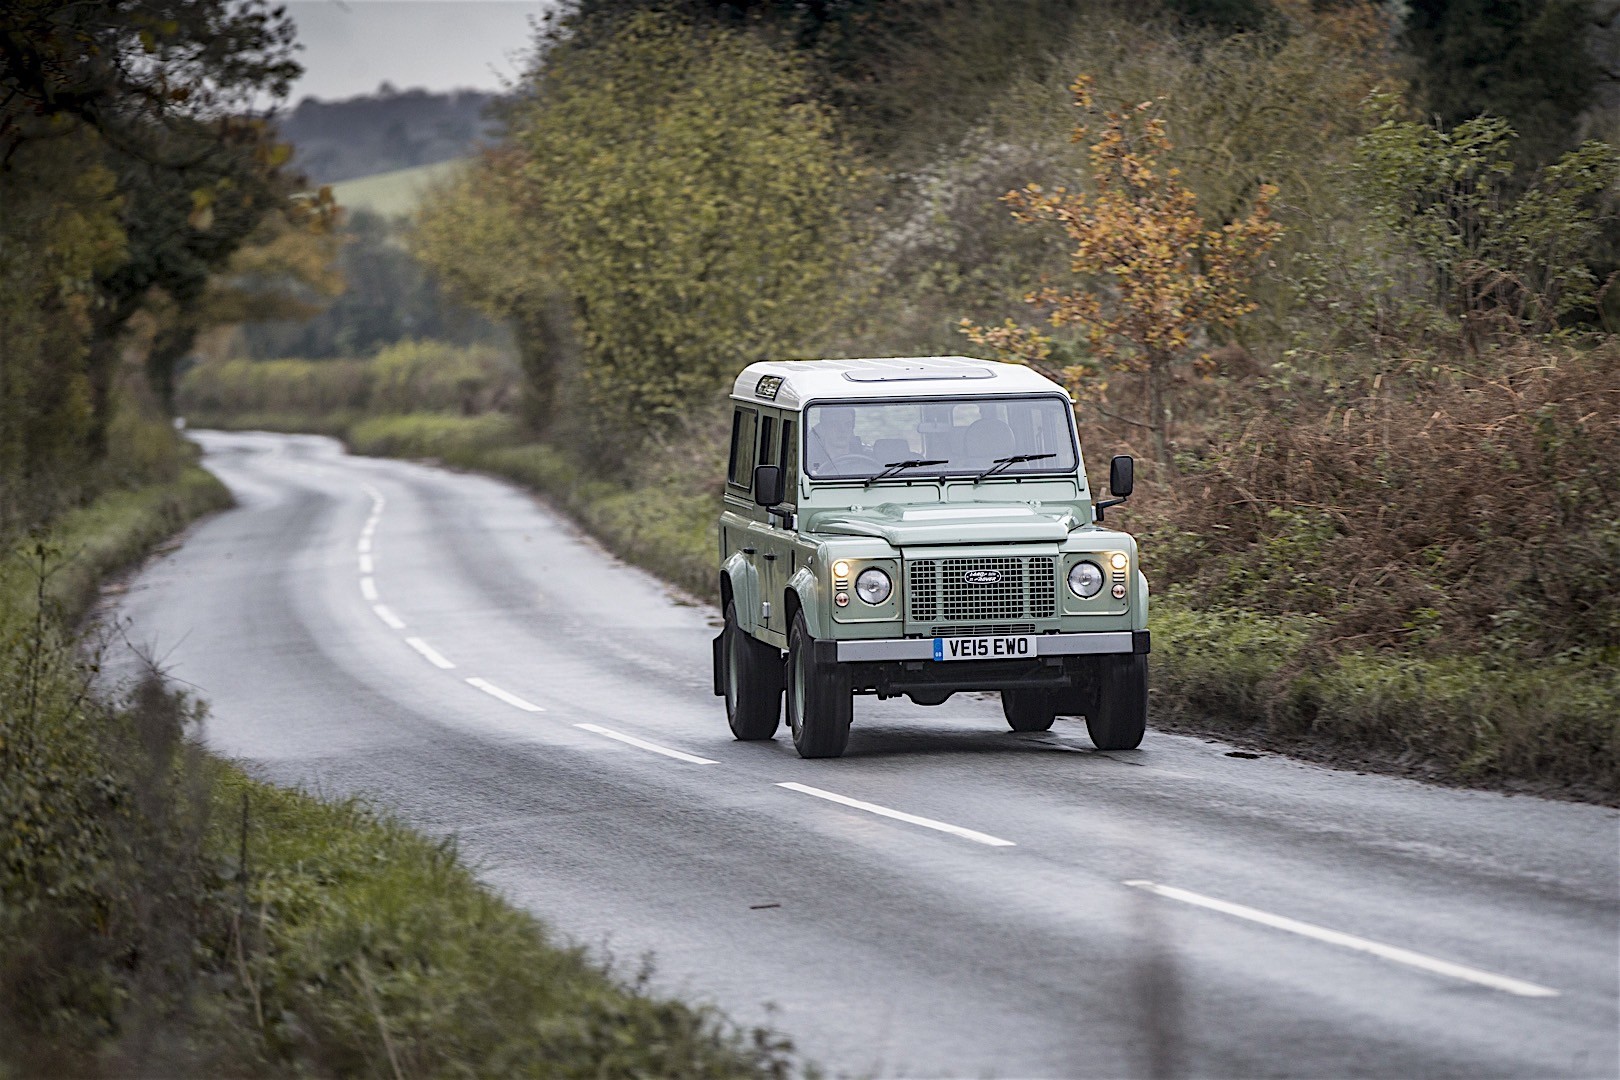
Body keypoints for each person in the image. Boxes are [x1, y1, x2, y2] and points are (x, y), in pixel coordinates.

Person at [808, 406, 869, 471]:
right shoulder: (809, 462)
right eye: (835, 424)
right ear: (824, 427)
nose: (842, 430)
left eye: (847, 424)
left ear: (852, 428)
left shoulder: (867, 459)